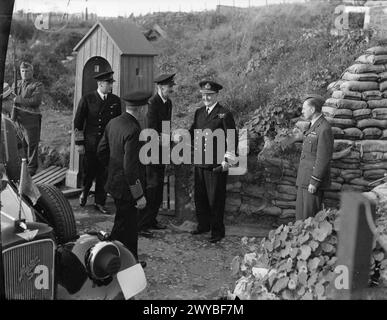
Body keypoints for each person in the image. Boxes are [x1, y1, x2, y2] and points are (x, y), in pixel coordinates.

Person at [97, 91, 149, 265]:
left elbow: (101, 151)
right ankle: (115, 258)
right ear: (141, 109)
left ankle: (127, 258)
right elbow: (131, 168)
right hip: (127, 187)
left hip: (115, 182)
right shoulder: (134, 130)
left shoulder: (113, 122)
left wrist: (113, 171)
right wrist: (139, 195)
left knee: (126, 223)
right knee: (126, 225)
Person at [189, 80, 237, 243]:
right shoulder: (199, 112)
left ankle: (217, 231)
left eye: (209, 95)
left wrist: (227, 161)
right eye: (204, 95)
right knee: (200, 197)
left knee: (216, 199)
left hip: (216, 164)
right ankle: (203, 225)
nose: (206, 98)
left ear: (216, 95)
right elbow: (192, 132)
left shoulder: (224, 113)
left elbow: (232, 138)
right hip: (200, 161)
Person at [73, 71, 122, 214]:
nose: (111, 86)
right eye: (108, 83)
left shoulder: (115, 100)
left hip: (107, 144)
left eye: (111, 83)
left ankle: (100, 202)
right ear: (100, 84)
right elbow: (78, 122)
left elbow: (118, 123)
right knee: (89, 171)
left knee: (104, 173)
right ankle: (84, 192)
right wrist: (79, 143)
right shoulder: (87, 99)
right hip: (90, 143)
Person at [138, 73, 176, 238]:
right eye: (169, 87)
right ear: (160, 87)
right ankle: (142, 224)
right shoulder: (152, 103)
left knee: (159, 187)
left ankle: (152, 219)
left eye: (171, 86)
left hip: (162, 150)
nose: (171, 89)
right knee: (151, 188)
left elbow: (166, 126)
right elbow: (151, 131)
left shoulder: (168, 103)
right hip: (152, 150)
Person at [295, 94, 334, 220]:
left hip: (312, 181)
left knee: (309, 217)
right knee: (300, 216)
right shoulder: (311, 126)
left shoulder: (324, 128)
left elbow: (323, 158)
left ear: (312, 109)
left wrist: (315, 181)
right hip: (304, 178)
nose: (302, 111)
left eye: (304, 108)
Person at [12, 62, 43, 176]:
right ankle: (24, 167)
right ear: (20, 72)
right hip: (18, 120)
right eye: (23, 71)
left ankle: (31, 169)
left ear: (32, 72)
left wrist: (18, 99)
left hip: (31, 119)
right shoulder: (17, 84)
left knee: (32, 145)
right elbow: (12, 102)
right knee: (21, 144)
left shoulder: (37, 85)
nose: (25, 73)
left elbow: (35, 102)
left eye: (27, 71)